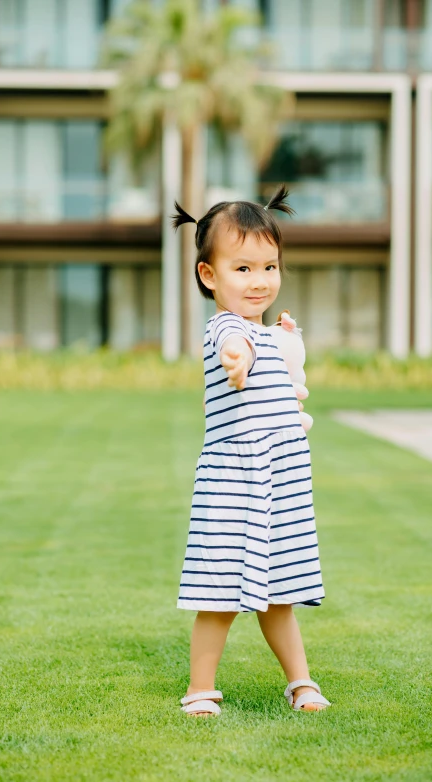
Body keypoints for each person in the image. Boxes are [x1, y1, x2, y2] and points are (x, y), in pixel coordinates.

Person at [171, 184, 330, 717]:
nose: (259, 281)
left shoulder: (275, 335)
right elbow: (232, 348)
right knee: (218, 593)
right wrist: (240, 359)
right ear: (209, 275)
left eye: (269, 267)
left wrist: (285, 350)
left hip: (281, 480)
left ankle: (302, 682)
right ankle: (201, 688)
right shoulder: (225, 329)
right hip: (234, 480)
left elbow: (290, 379)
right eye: (243, 269)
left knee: (280, 593)